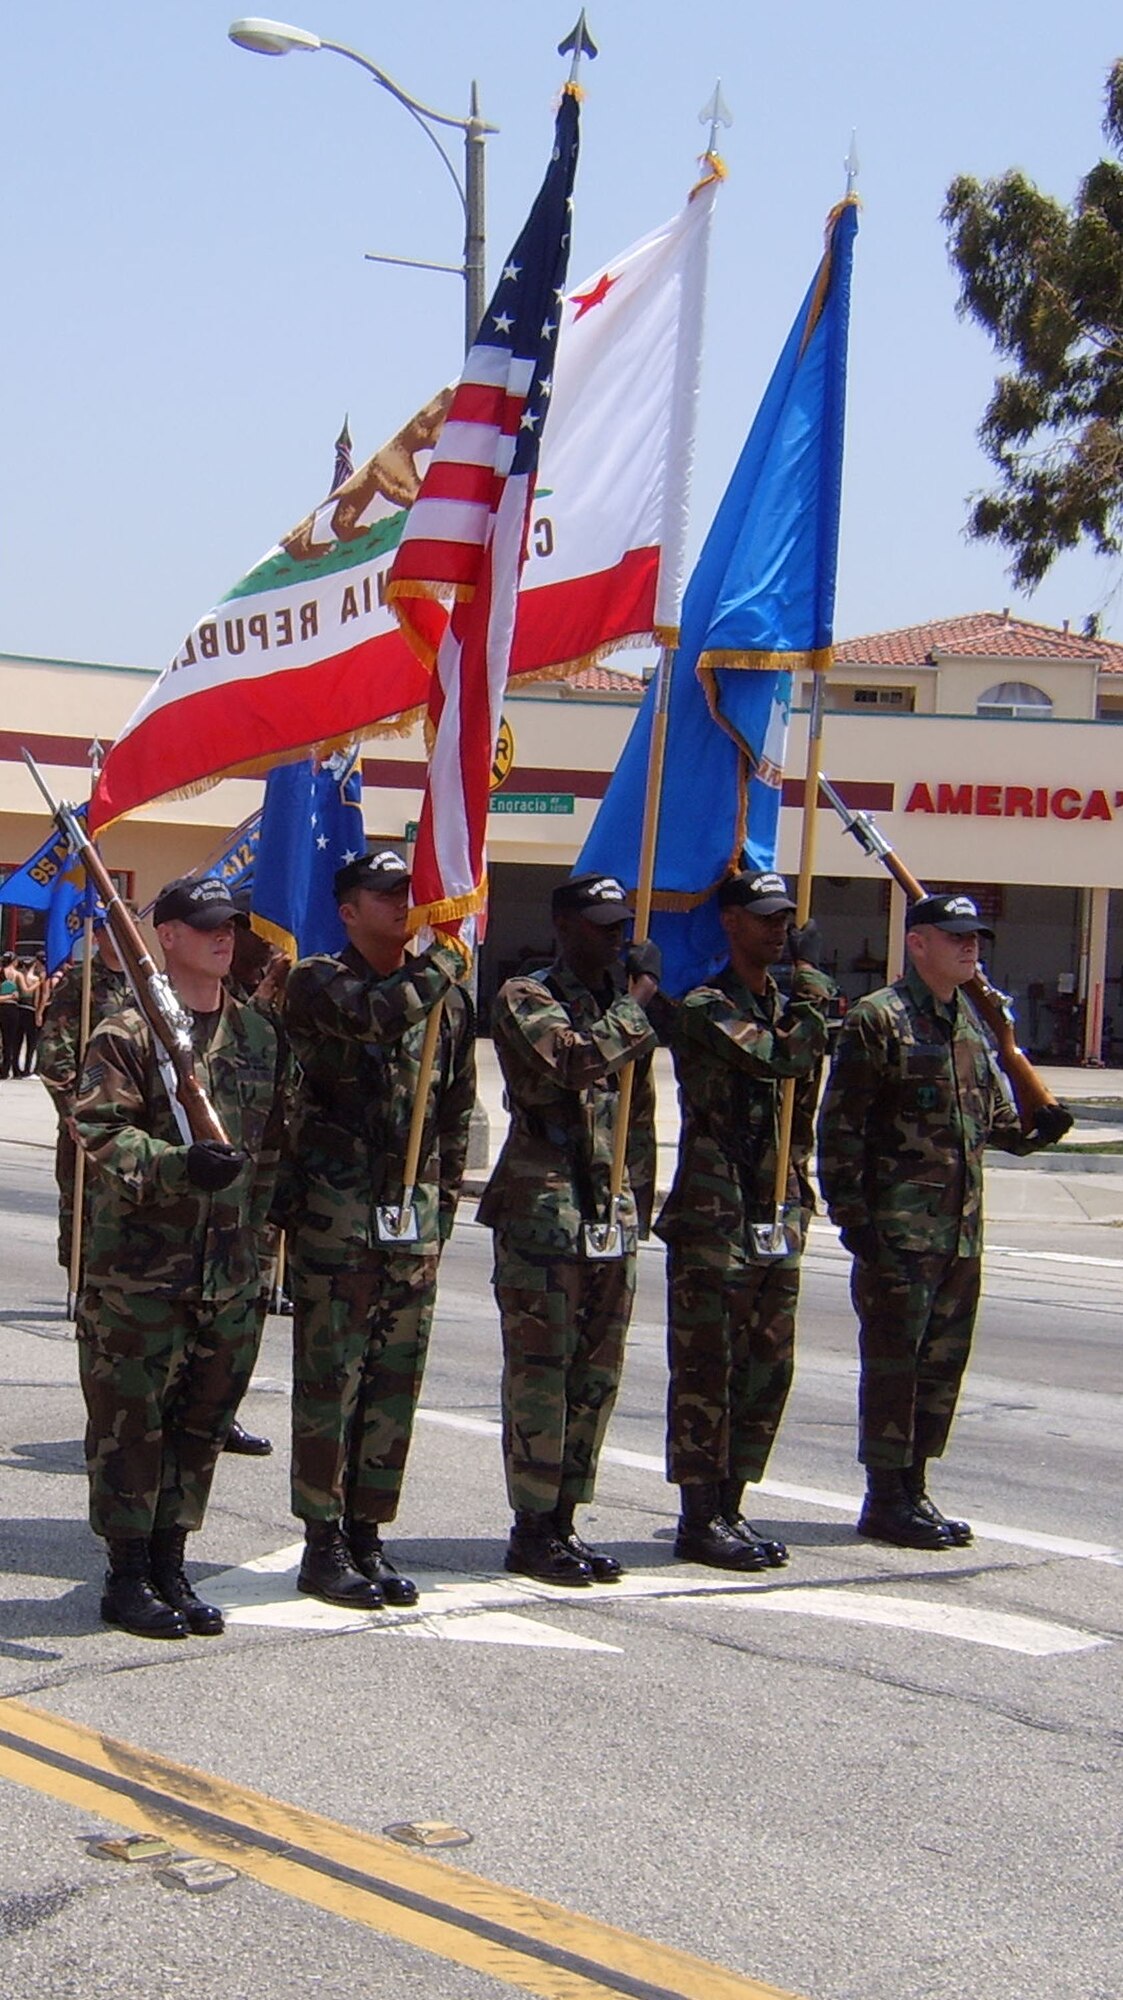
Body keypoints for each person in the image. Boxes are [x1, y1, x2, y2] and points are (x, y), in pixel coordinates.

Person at [817, 892, 1073, 1549]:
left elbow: (987, 1126)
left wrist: (1037, 1130)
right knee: (894, 1366)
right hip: (898, 1233)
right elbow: (839, 1129)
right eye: (955, 936)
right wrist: (855, 1223)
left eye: (975, 938)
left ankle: (914, 1489)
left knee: (940, 1366)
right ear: (917, 944)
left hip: (958, 1233)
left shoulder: (967, 1022)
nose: (970, 947)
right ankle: (883, 1497)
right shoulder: (879, 1020)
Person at [73, 875, 286, 1639]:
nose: (223, 937)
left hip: (229, 1274)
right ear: (166, 935)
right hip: (140, 1276)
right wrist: (176, 1166)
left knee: (201, 1424)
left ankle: (171, 1561)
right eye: (205, 926)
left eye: (229, 925)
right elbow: (97, 1132)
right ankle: (126, 1574)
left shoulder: (258, 1034)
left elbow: (276, 1146)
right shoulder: (126, 1032)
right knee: (132, 1429)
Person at [281, 851, 475, 1611]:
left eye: (411, 894)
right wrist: (446, 960)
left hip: (411, 1222)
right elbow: (375, 1016)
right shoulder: (320, 979)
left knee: (394, 1383)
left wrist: (442, 1204)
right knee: (333, 1382)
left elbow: (455, 1113)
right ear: (348, 909)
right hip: (337, 1216)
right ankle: (321, 1541)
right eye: (387, 895)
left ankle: (367, 1531)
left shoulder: (446, 1003)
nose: (404, 906)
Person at [477, 872, 661, 1587]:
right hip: (542, 1210)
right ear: (562, 926)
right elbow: (575, 1064)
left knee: (595, 1375)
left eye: (620, 925)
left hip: (605, 1215)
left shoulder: (618, 1006)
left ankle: (565, 1518)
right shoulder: (528, 995)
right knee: (541, 1377)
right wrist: (639, 1004)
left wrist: (634, 1205)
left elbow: (635, 1120)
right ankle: (530, 1525)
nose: (615, 936)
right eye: (599, 924)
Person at [656, 870, 834, 1572]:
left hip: (777, 1207)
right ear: (729, 922)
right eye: (763, 917)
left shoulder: (789, 1005)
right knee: (709, 1367)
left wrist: (806, 997)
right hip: (716, 1210)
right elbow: (779, 1058)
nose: (778, 929)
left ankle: (732, 1502)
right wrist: (815, 986)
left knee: (767, 1367)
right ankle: (699, 1516)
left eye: (784, 917)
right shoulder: (704, 1004)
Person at [37, 930, 130, 1272]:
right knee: (82, 1205)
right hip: (88, 1112)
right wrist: (72, 1110)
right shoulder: (80, 982)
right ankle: (81, 1280)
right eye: (116, 928)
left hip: (134, 1114)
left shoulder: (148, 984)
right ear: (100, 934)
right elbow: (53, 1051)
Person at [0, 952, 23, 1078]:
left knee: (3, 1039)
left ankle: (3, 1068)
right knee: (10, 1041)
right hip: (13, 1008)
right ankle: (6, 1069)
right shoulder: (18, 975)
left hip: (1, 1007)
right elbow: (26, 990)